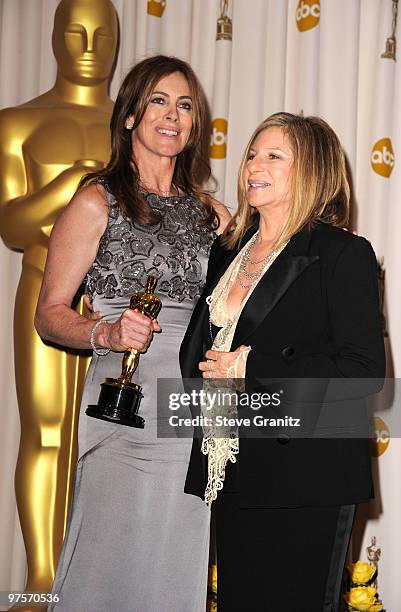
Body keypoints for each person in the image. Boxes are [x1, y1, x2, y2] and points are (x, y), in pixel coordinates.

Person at [35, 54, 230, 612]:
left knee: (177, 554)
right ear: (129, 116)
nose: (173, 116)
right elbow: (49, 313)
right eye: (159, 101)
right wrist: (107, 332)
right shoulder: (98, 201)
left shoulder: (212, 215)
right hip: (122, 401)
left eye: (185, 105)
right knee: (103, 556)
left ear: (195, 124)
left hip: (191, 407)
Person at [180, 112, 385, 611]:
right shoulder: (227, 251)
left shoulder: (342, 253)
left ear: (311, 169)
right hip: (233, 463)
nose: (253, 164)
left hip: (307, 471)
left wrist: (255, 366)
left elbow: (362, 369)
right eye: (252, 153)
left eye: (274, 155)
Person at [0, 0, 118, 595]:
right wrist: (69, 187)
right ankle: (42, 580)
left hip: (124, 303)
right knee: (46, 429)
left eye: (102, 32)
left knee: (113, 438)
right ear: (53, 37)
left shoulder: (134, 120)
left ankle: (95, 576)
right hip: (47, 285)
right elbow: (13, 226)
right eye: (74, 30)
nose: (89, 43)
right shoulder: (17, 122)